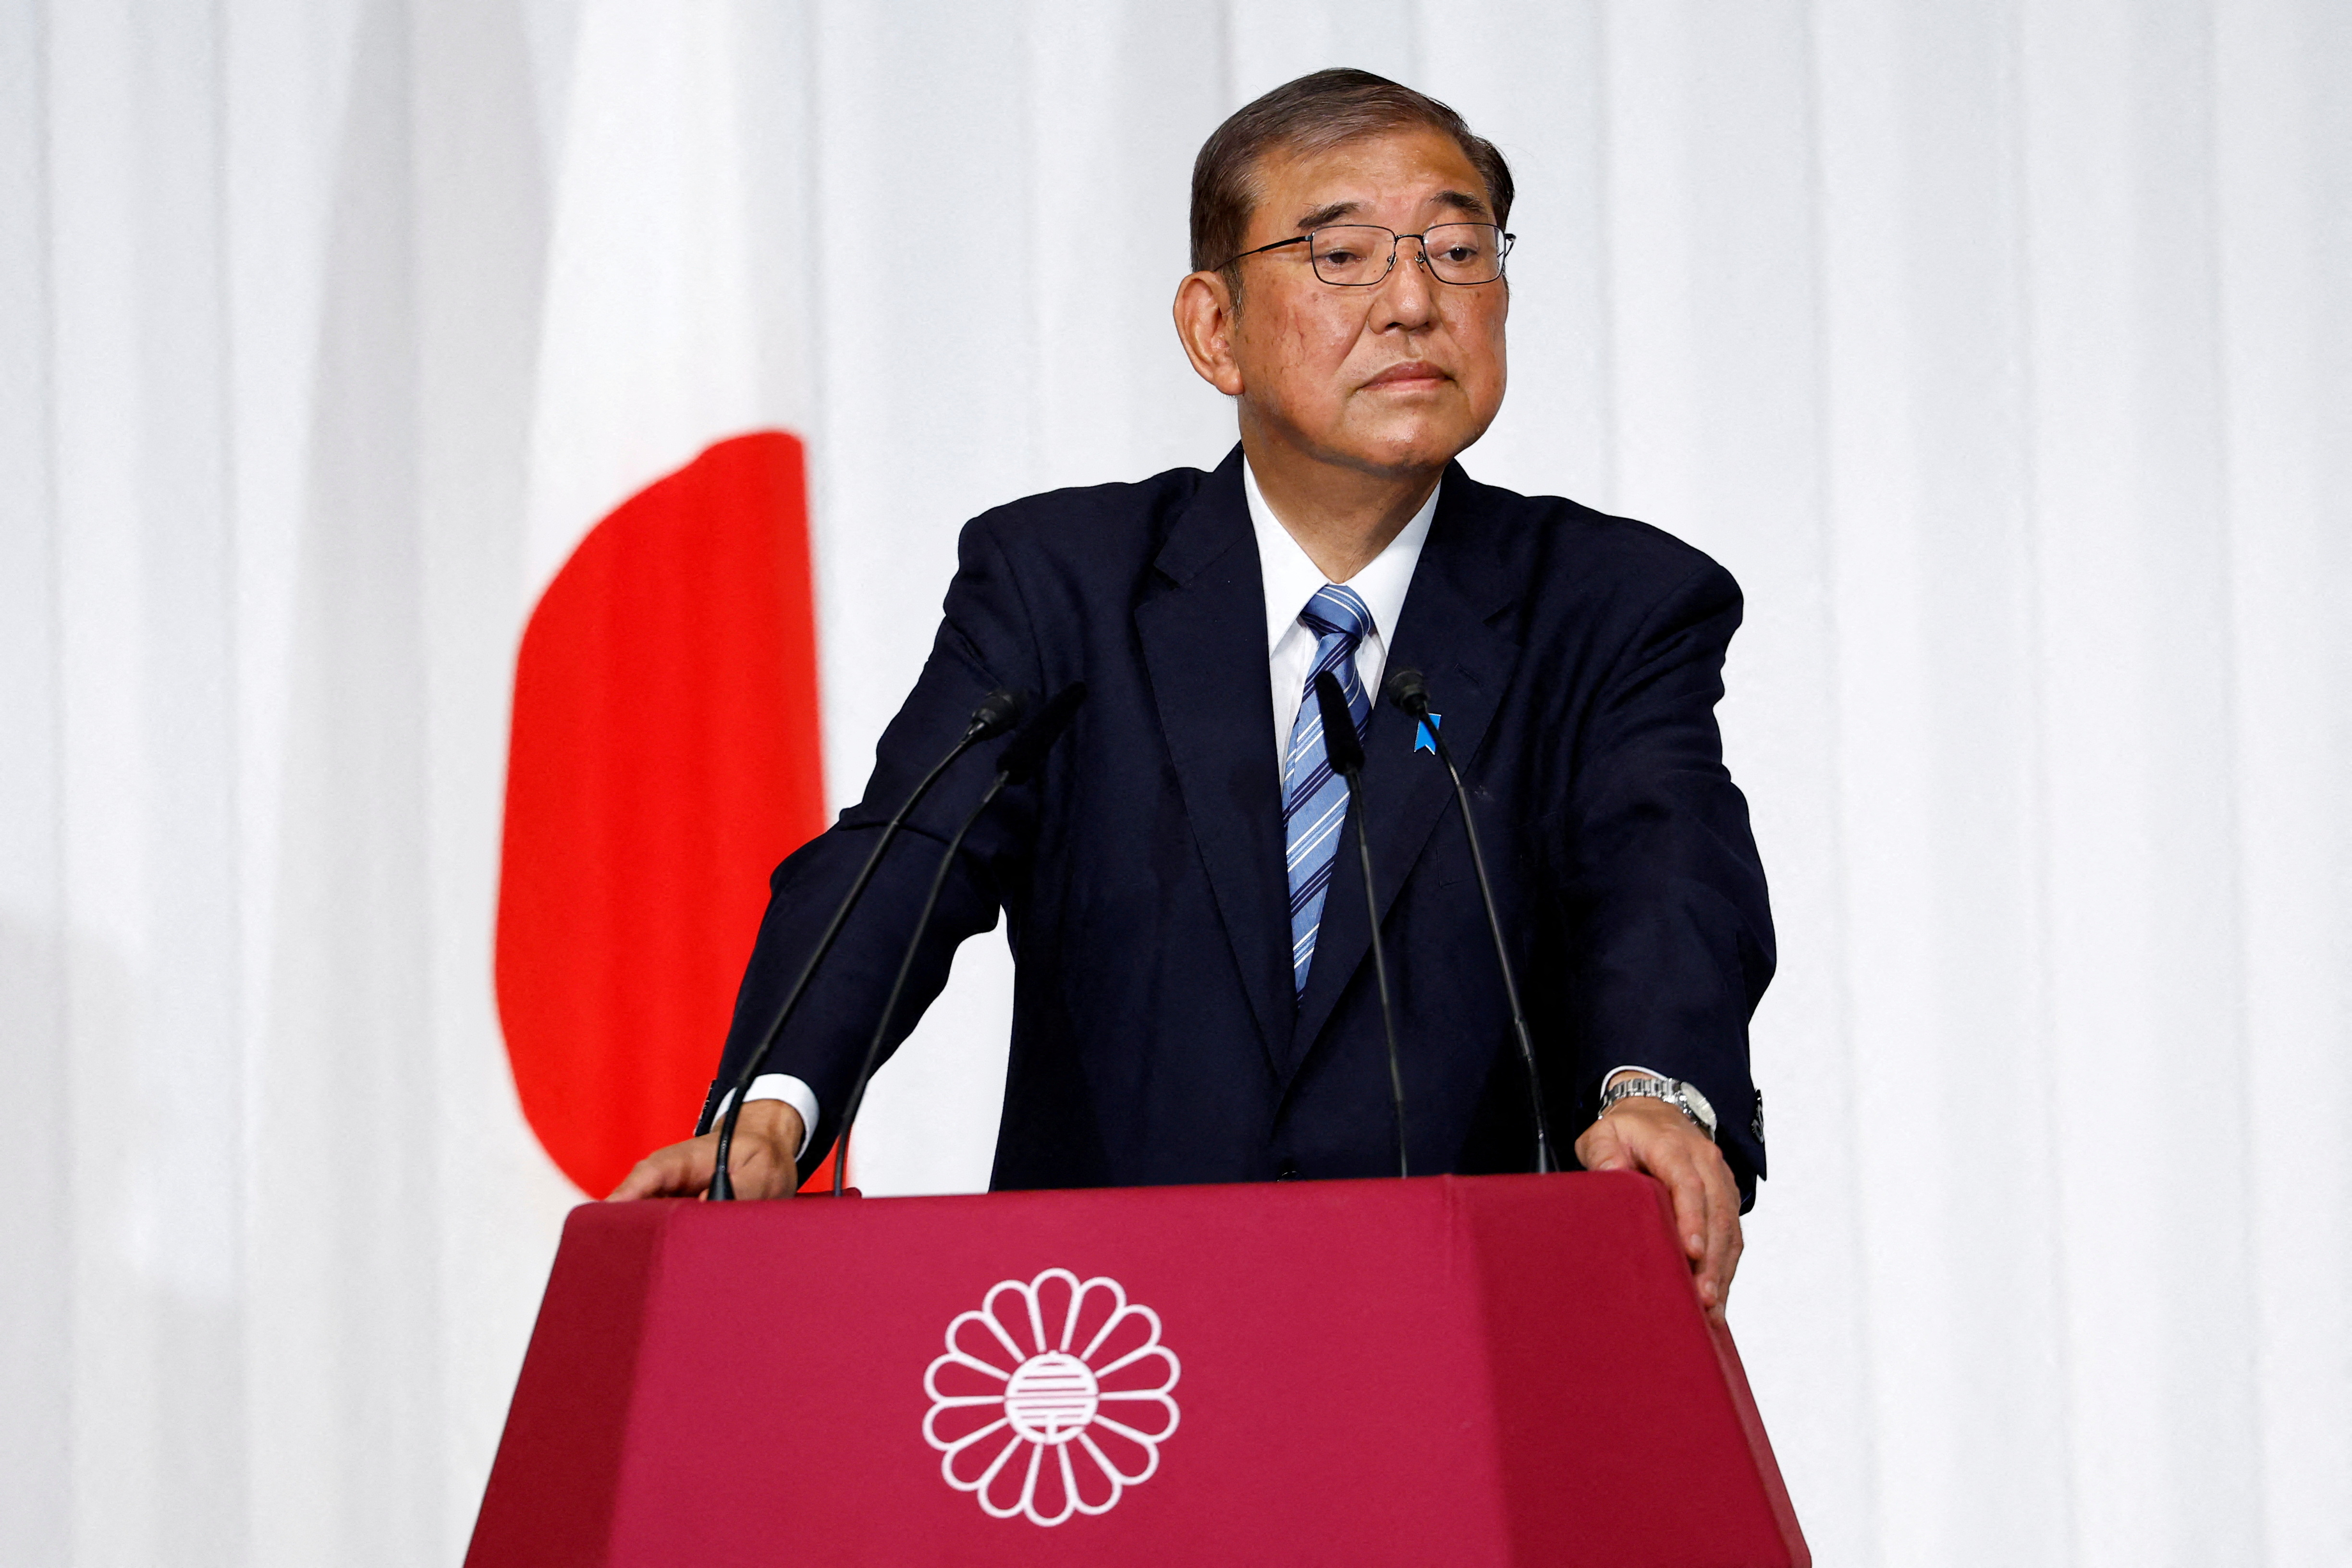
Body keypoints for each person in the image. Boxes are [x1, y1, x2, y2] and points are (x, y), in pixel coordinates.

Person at [611, 69, 1773, 1322]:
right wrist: (773, 1109)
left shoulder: (1615, 603)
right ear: (1214, 327)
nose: (1414, 301)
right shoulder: (1065, 585)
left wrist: (1658, 1093)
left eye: (1455, 247)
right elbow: (907, 855)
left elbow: (1667, 868)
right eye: (1342, 255)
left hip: (1469, 1341)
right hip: (1105, 1363)